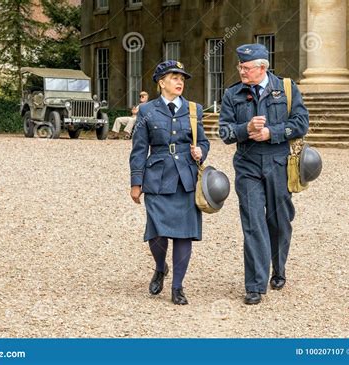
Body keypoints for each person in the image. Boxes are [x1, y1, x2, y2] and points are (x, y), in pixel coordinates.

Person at [219, 44, 309, 305]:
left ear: (261, 68)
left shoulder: (287, 89)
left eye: (246, 68)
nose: (241, 72)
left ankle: (278, 268)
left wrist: (273, 132)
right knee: (253, 223)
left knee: (280, 221)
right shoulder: (232, 94)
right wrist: (245, 129)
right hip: (247, 165)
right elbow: (224, 133)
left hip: (278, 163)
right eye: (240, 67)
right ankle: (255, 285)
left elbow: (301, 123)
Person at [129, 61, 210, 305]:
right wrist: (136, 181)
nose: (179, 82)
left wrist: (201, 152)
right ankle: (160, 267)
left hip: (186, 179)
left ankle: (177, 287)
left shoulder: (194, 109)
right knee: (156, 233)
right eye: (173, 77)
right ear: (161, 83)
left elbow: (204, 142)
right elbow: (139, 148)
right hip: (157, 178)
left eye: (182, 78)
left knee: (184, 235)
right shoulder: (147, 111)